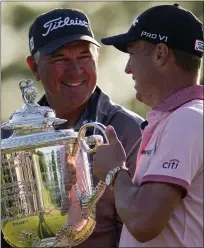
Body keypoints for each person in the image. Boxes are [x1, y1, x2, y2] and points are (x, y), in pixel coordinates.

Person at [1, 8, 144, 248]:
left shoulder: (130, 131)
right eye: (60, 59)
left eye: (84, 57)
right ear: (34, 68)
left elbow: (141, 229)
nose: (76, 70)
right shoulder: (7, 140)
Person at [93, 3, 204, 247]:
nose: (127, 68)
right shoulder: (180, 119)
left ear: (160, 54)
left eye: (132, 53)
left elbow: (144, 222)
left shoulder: (187, 120)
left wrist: (115, 172)